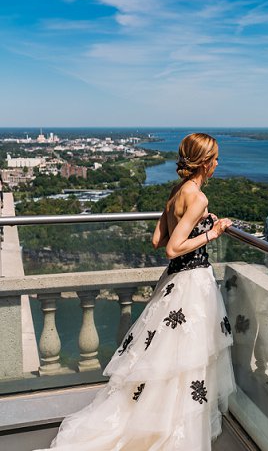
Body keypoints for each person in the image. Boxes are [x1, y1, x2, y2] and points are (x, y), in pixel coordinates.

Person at [39, 133, 236, 450]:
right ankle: (176, 433)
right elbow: (172, 247)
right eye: (215, 158)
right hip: (192, 285)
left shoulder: (178, 192)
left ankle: (158, 424)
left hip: (172, 285)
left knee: (166, 362)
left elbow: (156, 238)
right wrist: (211, 232)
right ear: (204, 163)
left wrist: (199, 223)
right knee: (190, 362)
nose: (217, 163)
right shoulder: (198, 198)